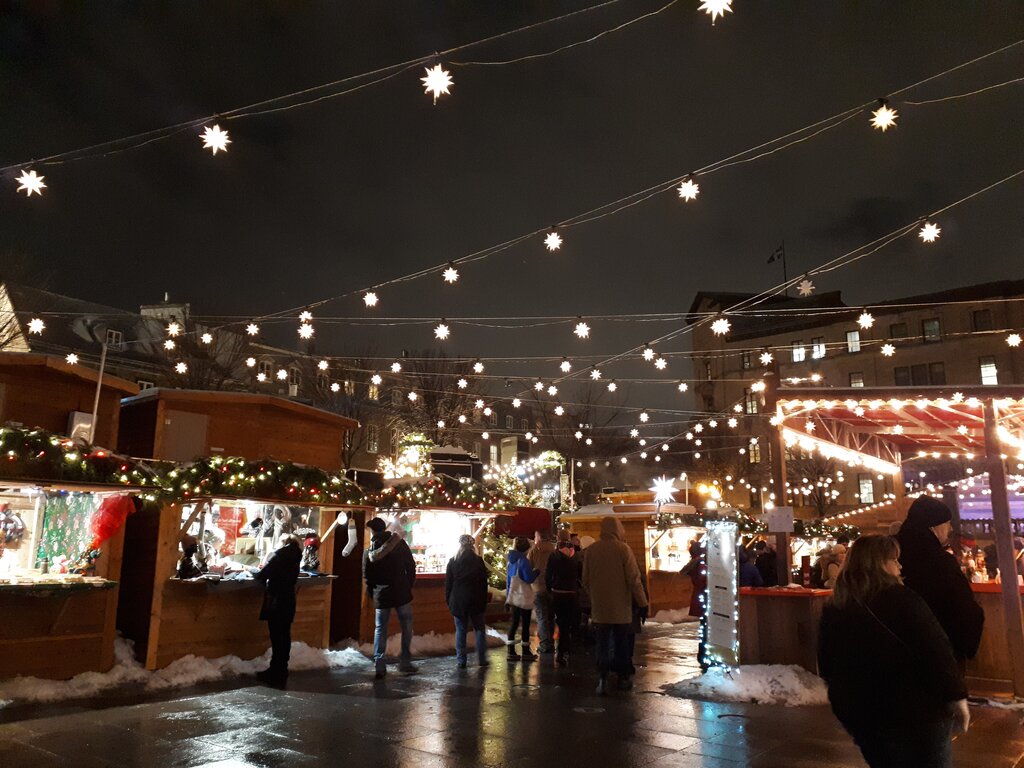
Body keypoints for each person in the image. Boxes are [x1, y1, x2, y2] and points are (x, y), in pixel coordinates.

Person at [818, 535, 970, 767]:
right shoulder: (903, 600)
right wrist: (956, 696)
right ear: (878, 563)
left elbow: (827, 662)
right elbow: (936, 650)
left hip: (863, 715)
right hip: (916, 713)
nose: (900, 566)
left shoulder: (836, 606)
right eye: (894, 559)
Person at [896, 497, 984, 663]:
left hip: (898, 648)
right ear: (934, 527)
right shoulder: (940, 561)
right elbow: (962, 606)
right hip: (940, 647)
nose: (950, 529)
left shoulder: (891, 553)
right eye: (947, 524)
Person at [583, 516, 648, 694]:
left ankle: (602, 678)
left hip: (600, 609)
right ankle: (622, 677)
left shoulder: (591, 550)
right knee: (621, 644)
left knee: (602, 644)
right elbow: (634, 580)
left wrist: (594, 598)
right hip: (621, 609)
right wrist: (642, 603)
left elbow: (585, 580)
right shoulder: (623, 549)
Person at [363, 517, 417, 679]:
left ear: (372, 531)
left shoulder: (370, 550)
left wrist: (373, 594)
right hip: (401, 592)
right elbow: (411, 565)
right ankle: (405, 661)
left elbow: (367, 576)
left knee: (380, 629)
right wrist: (408, 585)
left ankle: (380, 664)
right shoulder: (400, 544)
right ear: (384, 528)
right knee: (406, 627)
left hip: (382, 595)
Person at [252, 533, 301, 686]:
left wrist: (253, 572)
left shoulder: (279, 556)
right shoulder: (295, 557)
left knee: (276, 636)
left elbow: (262, 575)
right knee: (284, 636)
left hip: (276, 601)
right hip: (289, 600)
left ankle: (275, 671)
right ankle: (281, 669)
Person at [444, 534, 490, 669]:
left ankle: (461, 660)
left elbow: (448, 584)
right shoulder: (478, 561)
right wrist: (484, 600)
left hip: (458, 600)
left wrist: (449, 600)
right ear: (473, 546)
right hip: (476, 600)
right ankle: (481, 659)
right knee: (480, 629)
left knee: (461, 630)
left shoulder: (453, 561)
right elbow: (484, 583)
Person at [545, 537, 579, 666]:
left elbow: (548, 575)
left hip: (557, 592)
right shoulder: (574, 558)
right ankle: (564, 650)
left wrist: (549, 588)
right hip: (570, 593)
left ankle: (556, 647)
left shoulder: (553, 557)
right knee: (567, 624)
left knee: (557, 620)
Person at [506, 536, 539, 660]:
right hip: (523, 597)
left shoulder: (511, 561)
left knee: (514, 624)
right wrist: (536, 572)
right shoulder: (523, 561)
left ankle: (511, 651)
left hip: (513, 596)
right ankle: (526, 651)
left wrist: (507, 598)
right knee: (525, 624)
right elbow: (528, 578)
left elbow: (509, 581)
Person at [527, 530, 557, 654]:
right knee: (551, 616)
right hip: (552, 587)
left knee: (541, 616)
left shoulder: (534, 550)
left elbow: (528, 568)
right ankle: (551, 641)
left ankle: (545, 643)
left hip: (538, 587)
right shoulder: (554, 550)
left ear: (538, 537)